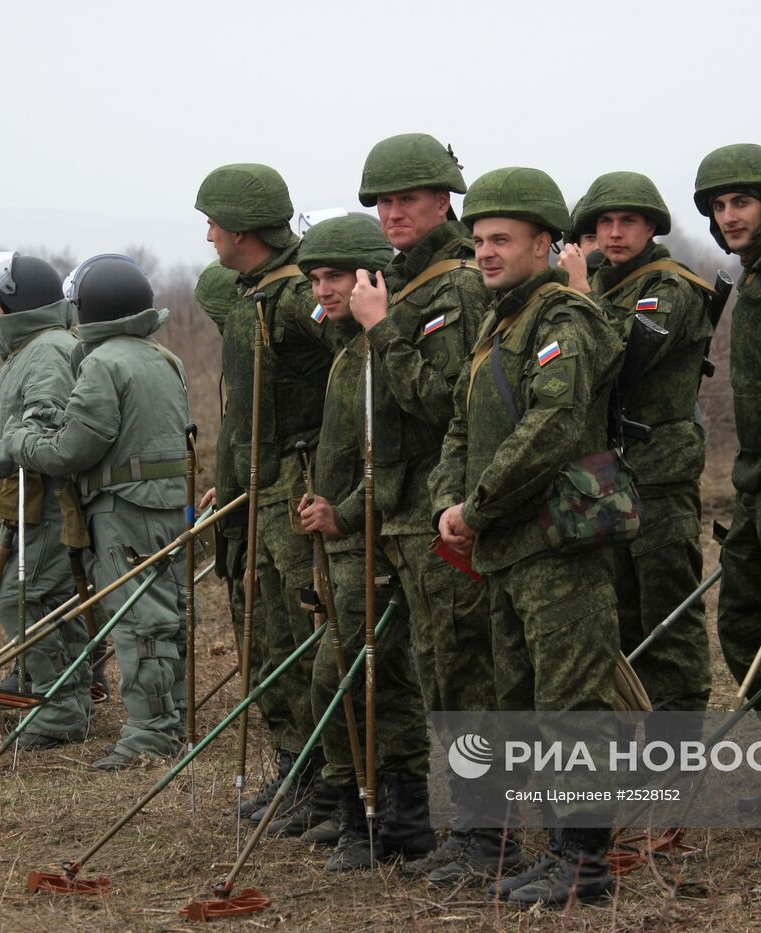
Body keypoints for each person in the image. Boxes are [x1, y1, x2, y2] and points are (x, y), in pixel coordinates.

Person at [428, 167, 624, 906]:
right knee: (525, 703)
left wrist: (476, 506)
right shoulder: (498, 321)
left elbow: (553, 427)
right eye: (478, 239)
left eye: (501, 238)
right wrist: (452, 496)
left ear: (545, 242)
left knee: (572, 705)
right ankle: (555, 848)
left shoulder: (563, 319)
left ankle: (585, 863)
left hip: (557, 541)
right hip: (508, 546)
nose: (484, 251)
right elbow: (460, 419)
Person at [345, 132, 512, 884]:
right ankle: (464, 825)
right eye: (383, 200)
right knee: (436, 672)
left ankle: (490, 835)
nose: (392, 212)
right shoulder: (401, 281)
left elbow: (449, 400)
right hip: (408, 511)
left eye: (407, 198)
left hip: (444, 509)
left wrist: (382, 334)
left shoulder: (457, 285)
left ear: (443, 199)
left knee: (464, 672)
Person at [195, 163, 337, 828]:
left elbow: (351, 358)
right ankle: (298, 769)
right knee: (268, 641)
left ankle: (324, 779)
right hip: (257, 489)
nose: (209, 237)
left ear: (242, 229)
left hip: (293, 492)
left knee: (296, 642)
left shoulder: (294, 298)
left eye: (214, 224)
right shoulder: (257, 295)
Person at [7, 255, 190, 771]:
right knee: (167, 614)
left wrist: (24, 442)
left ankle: (151, 736)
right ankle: (172, 721)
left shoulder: (103, 363)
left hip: (122, 508)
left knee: (139, 620)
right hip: (166, 504)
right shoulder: (163, 356)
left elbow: (74, 449)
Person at [293, 213, 435, 870]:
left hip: (377, 541)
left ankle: (387, 812)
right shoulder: (345, 353)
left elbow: (395, 462)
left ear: (370, 277)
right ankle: (362, 810)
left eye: (337, 276)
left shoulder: (381, 349)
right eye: (317, 277)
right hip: (347, 544)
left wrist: (344, 515)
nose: (324, 289)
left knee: (355, 677)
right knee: (357, 679)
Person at [560, 171, 714, 728]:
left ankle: (679, 748)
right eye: (604, 222)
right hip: (606, 477)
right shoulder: (605, 288)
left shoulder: (669, 290)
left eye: (628, 221)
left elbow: (618, 359)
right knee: (620, 613)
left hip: (659, 479)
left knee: (668, 613)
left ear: (651, 226)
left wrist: (575, 296)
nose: (615, 233)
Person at [692, 146, 761, 812]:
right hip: (756, 482)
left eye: (742, 202)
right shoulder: (755, 276)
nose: (730, 216)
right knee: (743, 624)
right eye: (719, 205)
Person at [0, 252, 95, 749]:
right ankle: (53, 688)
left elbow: (44, 425)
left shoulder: (48, 350)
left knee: (26, 598)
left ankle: (59, 711)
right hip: (29, 498)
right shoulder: (29, 348)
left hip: (53, 501)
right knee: (48, 599)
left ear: (22, 307)